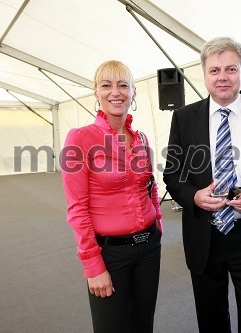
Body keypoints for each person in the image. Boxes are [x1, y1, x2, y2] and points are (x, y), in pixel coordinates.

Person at [163, 37, 241, 332]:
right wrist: (193, 197)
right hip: (203, 233)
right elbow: (172, 173)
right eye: (215, 70)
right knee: (209, 314)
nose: (223, 77)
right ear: (204, 74)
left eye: (231, 69)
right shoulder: (183, 118)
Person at [61, 60, 163, 333]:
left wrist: (159, 225)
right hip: (110, 254)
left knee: (143, 324)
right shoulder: (79, 139)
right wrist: (92, 265)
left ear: (133, 93)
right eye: (106, 85)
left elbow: (149, 187)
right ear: (96, 92)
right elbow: (77, 208)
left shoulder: (140, 138)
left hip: (149, 247)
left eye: (123, 85)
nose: (115, 92)